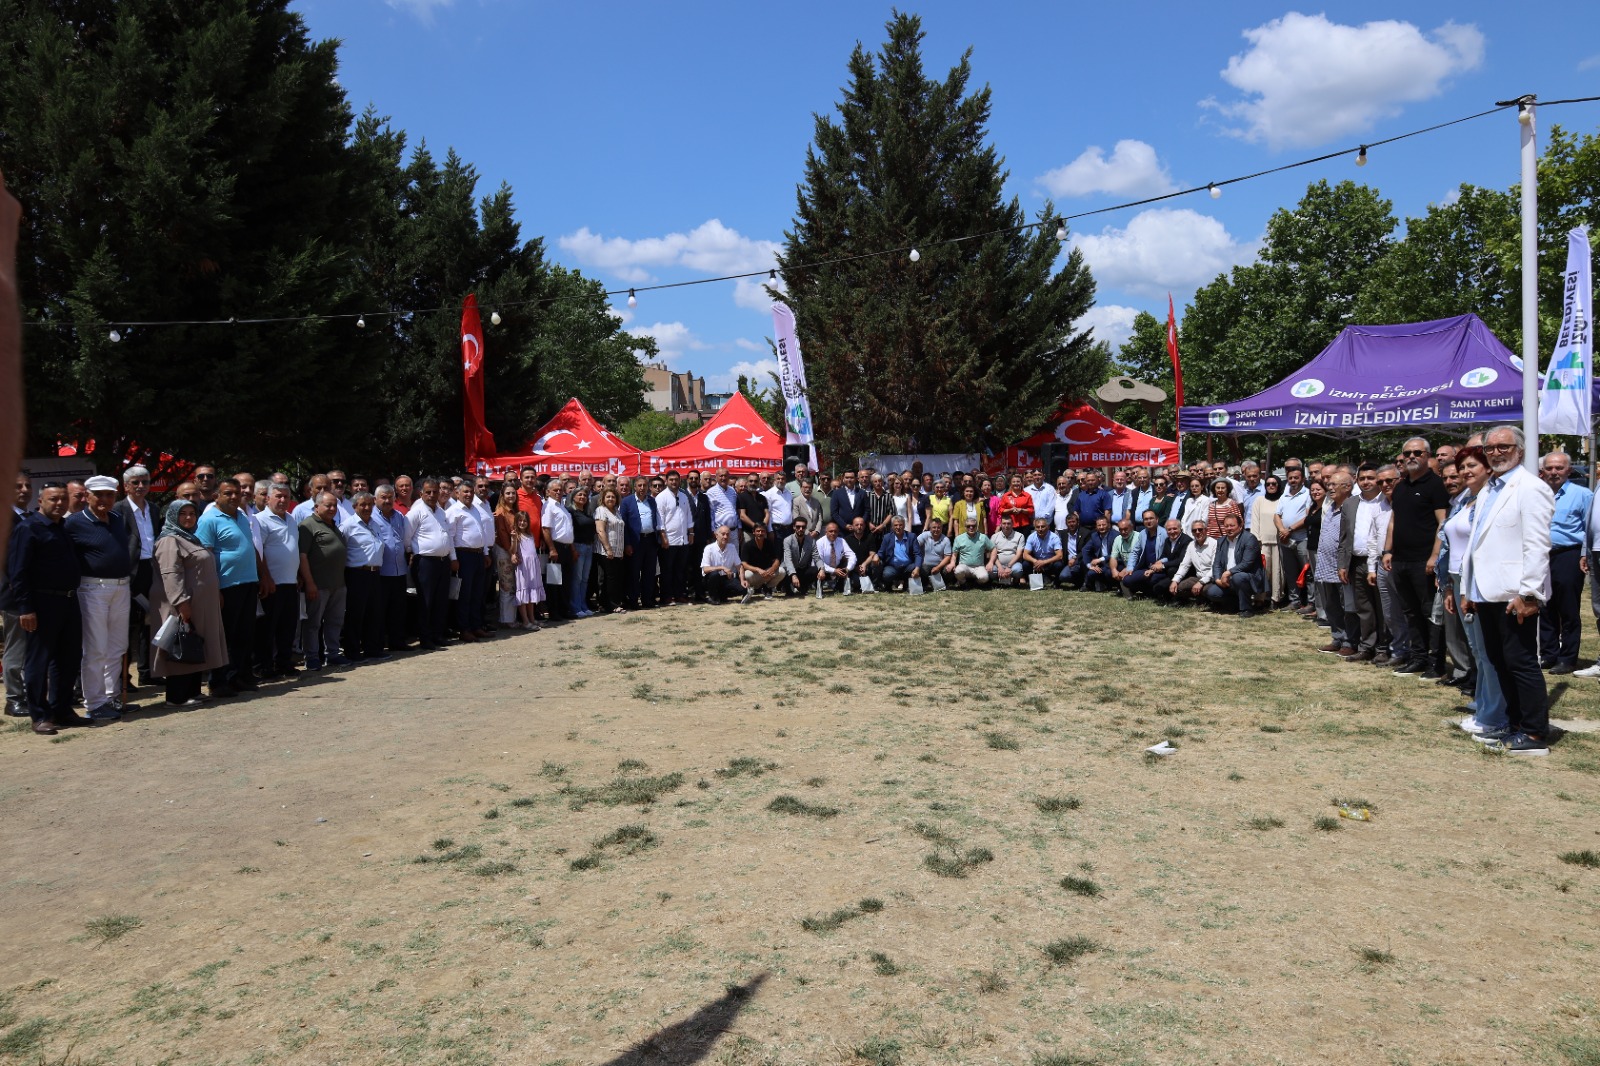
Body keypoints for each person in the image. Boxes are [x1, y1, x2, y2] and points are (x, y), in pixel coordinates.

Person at [1460, 426, 1555, 754]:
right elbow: (1476, 544)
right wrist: (1469, 589)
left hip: (1515, 594)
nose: (1496, 453)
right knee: (1499, 662)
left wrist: (1529, 593)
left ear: (1520, 450)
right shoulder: (1490, 488)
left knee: (1521, 663)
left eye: (1504, 447)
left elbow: (1537, 545)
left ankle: (1534, 734)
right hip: (1487, 592)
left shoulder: (1531, 488)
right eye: (1490, 448)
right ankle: (1514, 726)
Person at [5, 484, 91, 733]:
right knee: (38, 661)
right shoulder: (28, 528)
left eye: (63, 499)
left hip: (69, 601)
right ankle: (40, 715)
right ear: (40, 501)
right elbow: (18, 572)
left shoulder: (63, 527)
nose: (59, 503)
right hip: (42, 603)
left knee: (68, 658)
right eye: (53, 499)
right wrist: (25, 608)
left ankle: (62, 709)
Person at [1443, 447, 1505, 733]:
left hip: (1479, 581)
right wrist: (1448, 584)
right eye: (1462, 467)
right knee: (1477, 649)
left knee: (1487, 650)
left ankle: (1494, 712)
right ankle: (1483, 701)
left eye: (1472, 466)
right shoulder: (1464, 500)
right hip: (1459, 579)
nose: (1465, 472)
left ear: (1488, 468)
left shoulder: (1491, 500)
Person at [144, 499, 228, 710]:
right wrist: (181, 603)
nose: (189, 517)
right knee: (179, 644)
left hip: (199, 603)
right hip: (182, 603)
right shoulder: (169, 540)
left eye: (192, 513)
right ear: (173, 516)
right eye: (183, 514)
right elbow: (171, 574)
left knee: (193, 644)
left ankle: (192, 691)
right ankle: (177, 696)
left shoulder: (190, 537)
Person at [63, 475, 132, 721]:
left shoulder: (117, 518)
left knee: (117, 646)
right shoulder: (73, 522)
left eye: (109, 495)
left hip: (121, 587)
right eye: (99, 495)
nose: (104, 499)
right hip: (92, 589)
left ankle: (111, 697)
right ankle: (94, 702)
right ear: (87, 496)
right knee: (95, 648)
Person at [1382, 438, 1449, 677]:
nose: (1411, 457)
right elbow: (1393, 521)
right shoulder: (1400, 487)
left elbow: (1442, 523)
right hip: (1400, 560)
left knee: (1430, 613)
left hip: (1424, 561)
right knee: (1410, 612)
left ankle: (1435, 663)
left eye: (1417, 453)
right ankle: (1417, 657)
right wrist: (1388, 551)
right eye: (1407, 453)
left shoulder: (1436, 485)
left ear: (1427, 455)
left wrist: (1434, 556)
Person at [196, 478, 265, 695]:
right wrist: (214, 589)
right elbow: (204, 557)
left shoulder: (242, 516)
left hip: (248, 582)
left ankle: (239, 677)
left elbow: (250, 547)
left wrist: (262, 575)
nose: (234, 497)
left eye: (237, 492)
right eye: (228, 493)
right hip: (226, 585)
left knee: (244, 634)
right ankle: (219, 681)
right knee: (225, 636)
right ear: (216, 495)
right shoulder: (209, 519)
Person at [1538, 451, 1590, 673]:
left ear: (1569, 470)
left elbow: (1590, 527)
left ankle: (1567, 658)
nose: (1553, 472)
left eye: (1559, 468)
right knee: (1545, 605)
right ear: (1543, 471)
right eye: (1549, 468)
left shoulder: (1582, 494)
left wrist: (1585, 554)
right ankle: (1549, 654)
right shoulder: (1537, 493)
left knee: (1568, 608)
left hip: (1569, 554)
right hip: (1541, 555)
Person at [255, 484, 302, 678]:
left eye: (286, 497)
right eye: (278, 496)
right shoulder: (260, 520)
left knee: (288, 626)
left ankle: (283, 663)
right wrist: (266, 577)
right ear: (268, 498)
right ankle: (263, 666)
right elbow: (259, 551)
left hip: (290, 582)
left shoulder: (291, 519)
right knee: (267, 629)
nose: (283, 500)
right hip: (272, 584)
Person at [298, 491, 348, 671]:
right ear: (317, 507)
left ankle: (333, 654)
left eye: (335, 505)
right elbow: (302, 556)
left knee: (335, 621)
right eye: (328, 505)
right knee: (313, 624)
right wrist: (309, 583)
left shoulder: (334, 525)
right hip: (318, 585)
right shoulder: (307, 526)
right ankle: (311, 657)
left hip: (338, 584)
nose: (332, 508)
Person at [406, 478, 456, 650]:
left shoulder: (441, 512)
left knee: (441, 600)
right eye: (428, 492)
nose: (432, 495)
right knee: (426, 601)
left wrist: (452, 557)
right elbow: (407, 537)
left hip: (443, 561)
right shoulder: (416, 512)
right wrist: (411, 552)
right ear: (421, 493)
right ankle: (425, 638)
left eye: (435, 491)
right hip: (425, 562)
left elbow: (448, 536)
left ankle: (437, 634)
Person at [339, 492, 388, 661]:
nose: (367, 508)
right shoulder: (348, 526)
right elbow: (341, 551)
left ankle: (371, 648)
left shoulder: (375, 524)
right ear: (354, 507)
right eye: (362, 505)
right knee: (355, 613)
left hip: (375, 573)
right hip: (357, 574)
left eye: (369, 504)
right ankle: (352, 651)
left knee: (373, 612)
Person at [447, 481, 492, 639]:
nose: (468, 494)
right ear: (457, 493)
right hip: (463, 555)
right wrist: (453, 558)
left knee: (477, 593)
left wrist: (485, 553)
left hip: (478, 554)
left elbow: (481, 532)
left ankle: (476, 626)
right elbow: (450, 537)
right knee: (465, 594)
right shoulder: (453, 511)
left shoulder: (475, 509)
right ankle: (464, 629)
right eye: (465, 491)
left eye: (470, 492)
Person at [373, 485, 413, 652]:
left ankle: (397, 641)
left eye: (390, 497)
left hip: (399, 570)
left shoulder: (399, 516)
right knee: (379, 610)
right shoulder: (371, 517)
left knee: (398, 609)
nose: (387, 500)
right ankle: (378, 643)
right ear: (375, 499)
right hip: (381, 572)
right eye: (383, 497)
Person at [1275, 461, 1312, 610]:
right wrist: (1282, 530)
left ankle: (1311, 602)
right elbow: (1276, 515)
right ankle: (1294, 601)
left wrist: (1289, 529)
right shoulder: (1284, 495)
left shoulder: (1308, 494)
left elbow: (1308, 517)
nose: (1293, 480)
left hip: (1302, 539)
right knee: (1290, 572)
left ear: (1302, 479)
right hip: (1286, 539)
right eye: (1290, 478)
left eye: (1296, 478)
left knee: (1307, 571)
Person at [620, 477, 660, 610]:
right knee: (634, 573)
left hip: (650, 540)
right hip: (635, 541)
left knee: (649, 572)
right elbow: (624, 524)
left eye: (644, 485)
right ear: (635, 487)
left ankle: (647, 599)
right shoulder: (627, 502)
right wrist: (627, 543)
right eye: (639, 485)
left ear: (648, 487)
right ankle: (633, 600)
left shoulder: (652, 501)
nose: (642, 488)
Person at [656, 471, 692, 607]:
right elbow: (660, 519)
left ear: (680, 481)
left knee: (680, 570)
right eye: (671, 480)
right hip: (669, 540)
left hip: (683, 539)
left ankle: (679, 595)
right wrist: (663, 537)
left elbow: (688, 515)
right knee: (667, 570)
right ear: (666, 481)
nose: (674, 482)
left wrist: (691, 533)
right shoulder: (661, 497)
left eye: (676, 479)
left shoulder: (684, 496)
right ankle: (667, 596)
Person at [594, 488, 627, 614]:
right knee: (609, 579)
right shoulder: (601, 510)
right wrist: (608, 549)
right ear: (603, 498)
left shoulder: (617, 512)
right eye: (608, 497)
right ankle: (610, 605)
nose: (611, 499)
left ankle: (609, 603)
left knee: (615, 578)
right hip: (605, 551)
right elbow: (600, 531)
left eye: (613, 497)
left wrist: (621, 550)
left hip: (617, 551)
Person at [1168, 519, 1216, 606]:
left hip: (1212, 579)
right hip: (1198, 578)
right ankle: (1200, 599)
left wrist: (1201, 582)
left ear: (1206, 530)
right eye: (1194, 530)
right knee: (1180, 587)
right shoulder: (1191, 545)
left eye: (1200, 529)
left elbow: (1214, 569)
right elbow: (1184, 565)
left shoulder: (1214, 544)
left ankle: (1207, 600)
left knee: (1208, 590)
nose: (1197, 532)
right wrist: (1175, 580)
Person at [512, 510, 545, 630]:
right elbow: (513, 550)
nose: (522, 523)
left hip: (532, 566)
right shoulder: (516, 535)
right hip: (523, 567)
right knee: (524, 592)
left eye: (525, 521)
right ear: (516, 522)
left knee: (531, 593)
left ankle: (532, 619)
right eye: (520, 521)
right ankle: (525, 621)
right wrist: (513, 539)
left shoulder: (530, 535)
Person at [492, 485, 520, 626]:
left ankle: (511, 617)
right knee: (507, 585)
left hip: (513, 550)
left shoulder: (515, 511)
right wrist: (511, 553)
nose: (511, 496)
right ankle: (507, 619)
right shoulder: (500, 513)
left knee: (513, 585)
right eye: (508, 493)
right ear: (502, 496)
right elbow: (503, 536)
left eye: (513, 493)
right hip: (505, 551)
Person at [567, 488, 597, 618]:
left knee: (584, 579)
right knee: (577, 579)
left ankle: (583, 606)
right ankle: (575, 607)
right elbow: (569, 531)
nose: (582, 497)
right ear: (573, 497)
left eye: (585, 495)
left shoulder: (587, 512)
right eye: (579, 494)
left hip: (589, 547)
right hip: (578, 547)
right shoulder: (570, 512)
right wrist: (573, 549)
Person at [700, 524, 743, 604]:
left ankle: (722, 596)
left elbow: (739, 566)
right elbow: (705, 569)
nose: (725, 537)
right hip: (711, 579)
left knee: (742, 589)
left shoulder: (732, 547)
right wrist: (722, 568)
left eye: (727, 534)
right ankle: (713, 597)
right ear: (716, 535)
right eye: (723, 534)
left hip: (725, 578)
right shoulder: (709, 548)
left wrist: (743, 580)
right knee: (715, 575)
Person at [739, 524, 782, 603]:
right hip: (755, 573)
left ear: (765, 532)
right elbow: (744, 564)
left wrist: (772, 569)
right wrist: (757, 569)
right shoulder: (747, 545)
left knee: (782, 571)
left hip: (767, 571)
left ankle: (767, 588)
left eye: (762, 531)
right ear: (754, 532)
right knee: (747, 575)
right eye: (758, 531)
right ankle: (754, 588)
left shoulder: (769, 543)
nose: (760, 533)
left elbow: (777, 560)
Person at [815, 521, 857, 595]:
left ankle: (840, 587)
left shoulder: (841, 541)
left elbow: (852, 555)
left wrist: (848, 568)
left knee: (847, 563)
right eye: (831, 531)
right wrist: (834, 570)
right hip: (824, 569)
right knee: (817, 567)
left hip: (838, 569)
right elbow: (819, 561)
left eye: (835, 531)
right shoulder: (820, 542)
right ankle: (819, 587)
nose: (833, 533)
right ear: (826, 532)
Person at [781, 517, 819, 596]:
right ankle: (787, 588)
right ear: (794, 527)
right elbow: (788, 560)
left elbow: (817, 558)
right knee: (782, 570)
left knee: (816, 569)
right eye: (798, 527)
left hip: (802, 569)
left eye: (803, 527)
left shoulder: (811, 541)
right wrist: (793, 575)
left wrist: (821, 569)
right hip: (789, 570)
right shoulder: (787, 540)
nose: (800, 529)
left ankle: (803, 587)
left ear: (806, 528)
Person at [951, 518, 994, 588]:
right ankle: (963, 583)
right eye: (968, 526)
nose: (971, 528)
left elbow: (993, 549)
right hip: (964, 566)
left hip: (978, 566)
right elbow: (954, 553)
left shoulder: (983, 537)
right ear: (965, 527)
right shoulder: (959, 538)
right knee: (958, 571)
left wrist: (991, 562)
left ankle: (975, 583)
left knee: (984, 577)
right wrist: (952, 562)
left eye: (973, 526)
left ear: (976, 527)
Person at [917, 517, 955, 590]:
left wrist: (938, 567)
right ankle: (925, 584)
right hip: (925, 565)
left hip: (940, 566)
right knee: (921, 569)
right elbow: (915, 546)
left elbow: (947, 557)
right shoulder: (924, 535)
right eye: (934, 527)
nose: (936, 529)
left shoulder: (946, 540)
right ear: (930, 528)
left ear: (941, 528)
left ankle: (945, 584)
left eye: (938, 527)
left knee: (949, 569)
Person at [1081, 516, 1117, 592]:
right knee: (1091, 573)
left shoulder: (1115, 535)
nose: (1101, 527)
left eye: (1103, 525)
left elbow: (1116, 553)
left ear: (1109, 525)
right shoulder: (1094, 536)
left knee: (1108, 572)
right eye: (1099, 525)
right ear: (1096, 527)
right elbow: (1085, 550)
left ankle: (1114, 585)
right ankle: (1090, 585)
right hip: (1101, 565)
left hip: (1113, 562)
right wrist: (1089, 565)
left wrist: (1101, 559)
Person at [990, 515, 1025, 587]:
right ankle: (998, 581)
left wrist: (1009, 566)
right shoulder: (994, 536)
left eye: (1008, 523)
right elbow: (993, 554)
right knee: (991, 571)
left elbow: (1018, 554)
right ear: (1000, 524)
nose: (1006, 526)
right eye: (1004, 523)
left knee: (1018, 570)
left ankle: (1015, 581)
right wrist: (1000, 567)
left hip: (1013, 564)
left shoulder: (1020, 536)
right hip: (998, 564)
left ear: (1012, 524)